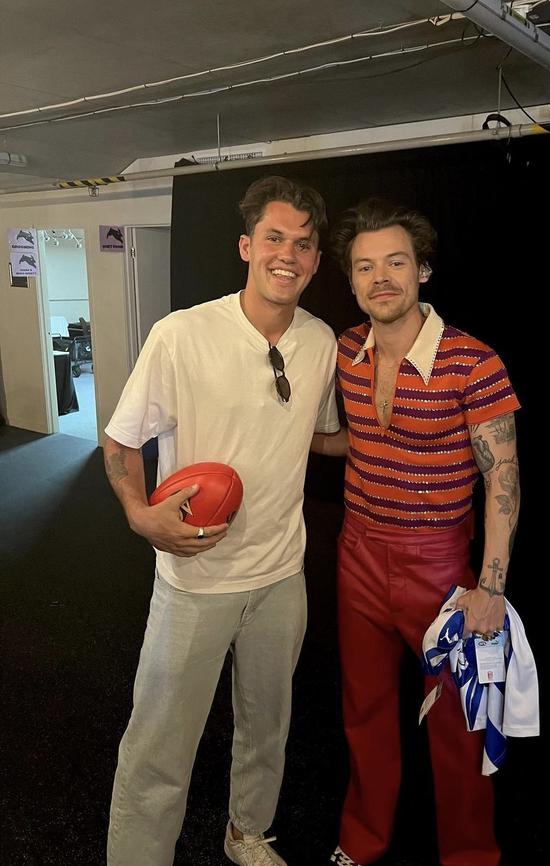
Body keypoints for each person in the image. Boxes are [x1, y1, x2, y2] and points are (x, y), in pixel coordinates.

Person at [103, 175, 341, 866]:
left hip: (280, 576)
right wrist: (141, 516)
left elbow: (321, 436)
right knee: (160, 743)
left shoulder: (321, 341)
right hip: (195, 579)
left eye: (303, 244)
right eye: (274, 238)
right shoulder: (181, 335)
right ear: (246, 245)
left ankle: (245, 833)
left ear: (317, 260)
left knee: (268, 729)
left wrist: (404, 429)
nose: (287, 255)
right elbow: (121, 441)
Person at [327, 198, 521, 866]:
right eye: (364, 267)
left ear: (423, 271)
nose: (380, 277)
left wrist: (490, 587)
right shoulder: (347, 349)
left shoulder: (474, 362)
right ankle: (363, 836)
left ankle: (469, 854)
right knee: (365, 711)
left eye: (395, 263)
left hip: (438, 569)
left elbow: (503, 479)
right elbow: (350, 441)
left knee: (459, 725)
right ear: (351, 282)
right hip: (356, 556)